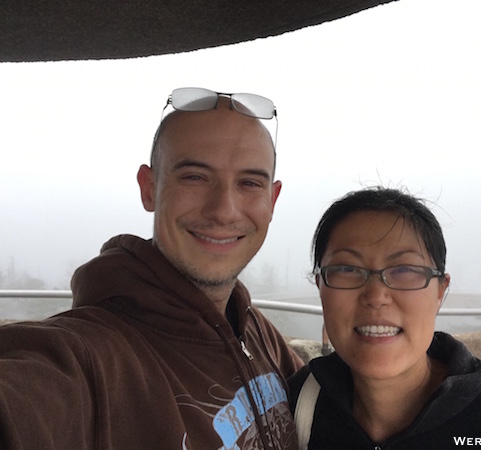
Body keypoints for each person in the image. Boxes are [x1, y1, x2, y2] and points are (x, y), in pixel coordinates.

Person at [0, 87, 304, 449]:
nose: (224, 209)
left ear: (272, 200)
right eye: (194, 176)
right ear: (149, 188)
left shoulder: (255, 332)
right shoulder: (90, 359)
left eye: (250, 183)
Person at [288, 187, 481, 449]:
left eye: (404, 270)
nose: (376, 295)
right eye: (348, 269)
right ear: (320, 286)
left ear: (440, 291)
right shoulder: (297, 403)